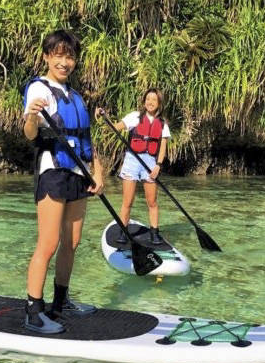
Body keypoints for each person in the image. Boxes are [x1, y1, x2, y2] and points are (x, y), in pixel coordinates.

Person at [22, 30, 104, 334]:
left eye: (69, 56)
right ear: (47, 56)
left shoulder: (75, 95)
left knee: (72, 242)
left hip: (78, 175)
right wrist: (31, 117)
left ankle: (61, 301)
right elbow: (30, 134)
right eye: (58, 55)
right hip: (54, 172)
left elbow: (86, 139)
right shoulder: (38, 90)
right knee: (49, 243)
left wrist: (98, 171)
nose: (64, 62)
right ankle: (33, 311)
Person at [106, 88, 171, 246]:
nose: (150, 102)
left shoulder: (163, 124)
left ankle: (154, 233)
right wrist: (103, 117)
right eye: (148, 99)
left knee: (152, 201)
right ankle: (123, 231)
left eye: (154, 100)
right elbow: (115, 127)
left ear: (159, 103)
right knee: (127, 201)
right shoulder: (135, 117)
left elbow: (162, 148)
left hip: (150, 163)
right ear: (144, 101)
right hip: (132, 160)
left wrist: (158, 166)